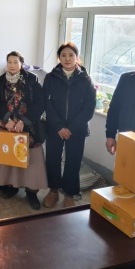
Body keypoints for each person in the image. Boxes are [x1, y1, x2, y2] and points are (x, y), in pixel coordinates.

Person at [0, 51, 46, 209]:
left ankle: (31, 192)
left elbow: (40, 103)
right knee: (9, 156)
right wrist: (7, 120)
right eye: (9, 62)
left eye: (15, 62)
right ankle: (11, 187)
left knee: (32, 160)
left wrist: (22, 121)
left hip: (28, 127)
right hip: (7, 126)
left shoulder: (32, 80)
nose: (12, 65)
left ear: (21, 63)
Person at [42, 42, 96, 208]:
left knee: (73, 160)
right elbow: (47, 103)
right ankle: (53, 191)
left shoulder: (86, 79)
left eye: (71, 55)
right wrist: (59, 126)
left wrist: (71, 128)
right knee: (52, 159)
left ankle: (69, 193)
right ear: (59, 58)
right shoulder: (51, 78)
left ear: (77, 58)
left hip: (77, 129)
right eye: (63, 55)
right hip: (54, 127)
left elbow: (89, 108)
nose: (67, 58)